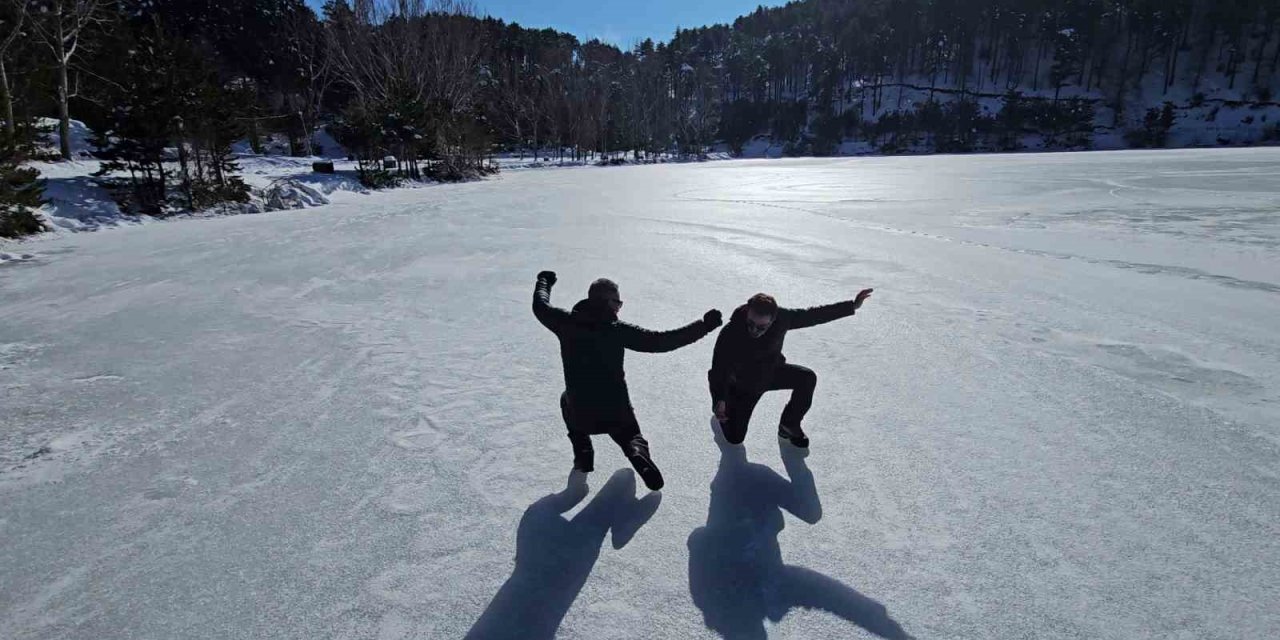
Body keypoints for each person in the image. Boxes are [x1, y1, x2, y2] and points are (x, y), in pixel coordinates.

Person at [533, 271, 722, 490]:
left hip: (581, 408)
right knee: (630, 435)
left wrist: (544, 280)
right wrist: (704, 326)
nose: (619, 307)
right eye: (618, 302)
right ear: (607, 302)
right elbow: (660, 341)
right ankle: (637, 453)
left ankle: (583, 454)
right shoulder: (618, 331)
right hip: (615, 408)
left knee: (567, 400)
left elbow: (540, 305)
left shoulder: (564, 322)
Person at [708, 288, 873, 448]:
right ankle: (727, 407)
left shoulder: (783, 318)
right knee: (735, 439)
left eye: (761, 327)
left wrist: (851, 306)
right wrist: (720, 398)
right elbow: (718, 369)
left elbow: (814, 315)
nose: (754, 330)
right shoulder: (730, 332)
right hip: (743, 387)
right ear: (747, 312)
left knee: (807, 378)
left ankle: (789, 425)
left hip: (771, 373)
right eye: (750, 323)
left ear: (773, 320)